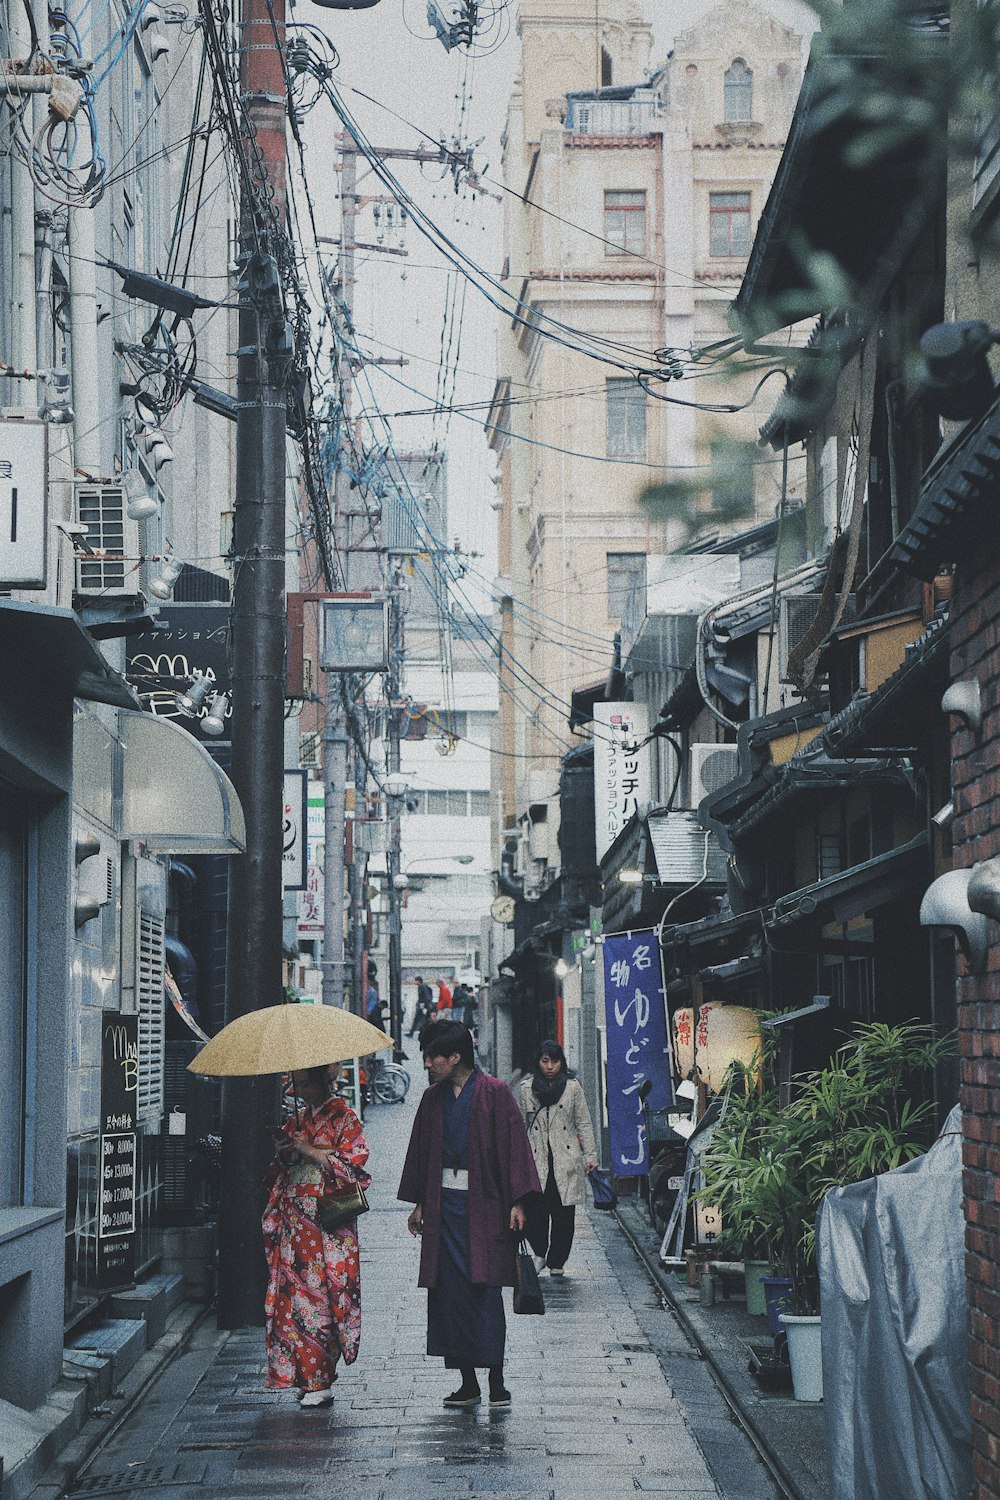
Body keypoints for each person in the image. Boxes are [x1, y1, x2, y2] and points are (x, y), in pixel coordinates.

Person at [398, 1020, 540, 1410]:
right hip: (444, 1207)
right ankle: (466, 1382)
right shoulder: (431, 1099)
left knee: (484, 1291)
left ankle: (496, 1379)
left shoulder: (495, 1093)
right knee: (447, 1295)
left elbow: (515, 1149)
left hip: (486, 1206)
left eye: (433, 1056)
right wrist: (420, 1203)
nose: (427, 1063)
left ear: (455, 1056)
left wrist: (518, 1202)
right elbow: (423, 1154)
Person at [263, 1065, 371, 1406]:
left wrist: (310, 1151)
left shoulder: (344, 1117)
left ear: (324, 1080)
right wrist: (287, 1152)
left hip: (326, 1221)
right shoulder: (297, 1120)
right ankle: (301, 1375)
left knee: (323, 1296)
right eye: (297, 1082)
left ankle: (320, 1378)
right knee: (294, 1297)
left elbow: (354, 1167)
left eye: (306, 1082)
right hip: (295, 1219)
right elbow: (282, 1170)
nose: (300, 1088)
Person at [517, 1040, 598, 1279]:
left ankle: (557, 1260)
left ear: (561, 1062)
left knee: (564, 1215)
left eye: (554, 1061)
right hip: (537, 1157)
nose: (550, 1066)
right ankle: (539, 1252)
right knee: (536, 1211)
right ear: (538, 1062)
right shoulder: (526, 1088)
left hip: (566, 1159)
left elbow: (583, 1122)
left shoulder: (572, 1088)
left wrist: (590, 1155)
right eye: (545, 1061)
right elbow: (520, 1124)